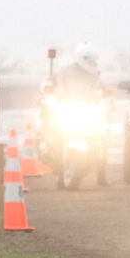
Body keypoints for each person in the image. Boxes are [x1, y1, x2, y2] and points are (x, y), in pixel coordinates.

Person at [55, 42, 109, 186]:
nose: (93, 63)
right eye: (90, 60)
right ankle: (58, 173)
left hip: (88, 111)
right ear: (82, 58)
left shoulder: (95, 75)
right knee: (55, 137)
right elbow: (58, 87)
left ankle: (102, 176)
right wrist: (55, 95)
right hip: (68, 109)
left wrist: (105, 100)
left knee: (102, 139)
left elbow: (101, 91)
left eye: (94, 60)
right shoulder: (64, 71)